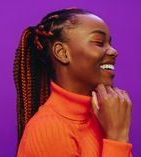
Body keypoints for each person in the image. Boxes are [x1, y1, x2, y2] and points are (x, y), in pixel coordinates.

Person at [13, 8, 133, 157]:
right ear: (62, 53)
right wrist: (117, 139)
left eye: (110, 43)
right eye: (99, 42)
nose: (113, 51)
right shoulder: (49, 129)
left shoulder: (102, 118)